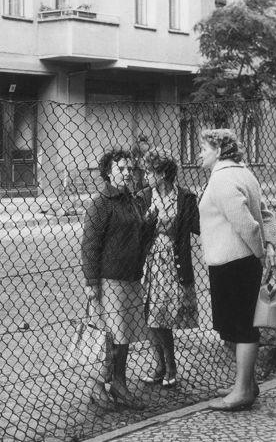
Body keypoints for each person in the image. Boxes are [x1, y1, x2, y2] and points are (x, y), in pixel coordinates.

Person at [198, 129, 276, 412]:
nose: (200, 154)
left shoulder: (222, 179)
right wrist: (269, 246)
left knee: (242, 328)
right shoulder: (245, 174)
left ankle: (243, 391)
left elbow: (247, 225)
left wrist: (260, 253)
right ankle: (247, 384)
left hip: (233, 262)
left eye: (204, 148)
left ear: (219, 150)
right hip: (239, 262)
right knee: (239, 325)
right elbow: (266, 215)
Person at [81, 149, 154, 409]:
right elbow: (90, 245)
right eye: (121, 168)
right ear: (108, 172)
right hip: (109, 280)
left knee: (124, 337)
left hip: (130, 277)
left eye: (129, 169)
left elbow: (139, 236)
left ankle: (119, 383)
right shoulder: (101, 204)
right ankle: (97, 385)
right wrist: (91, 283)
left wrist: (150, 222)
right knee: (108, 335)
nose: (127, 173)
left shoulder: (131, 200)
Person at [139, 149, 200, 388]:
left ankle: (169, 366)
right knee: (151, 316)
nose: (146, 177)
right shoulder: (144, 197)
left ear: (162, 174)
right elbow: (138, 233)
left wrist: (204, 201)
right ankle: (161, 366)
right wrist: (147, 221)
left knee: (162, 317)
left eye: (149, 172)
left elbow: (197, 227)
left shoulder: (185, 197)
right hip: (150, 263)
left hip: (173, 264)